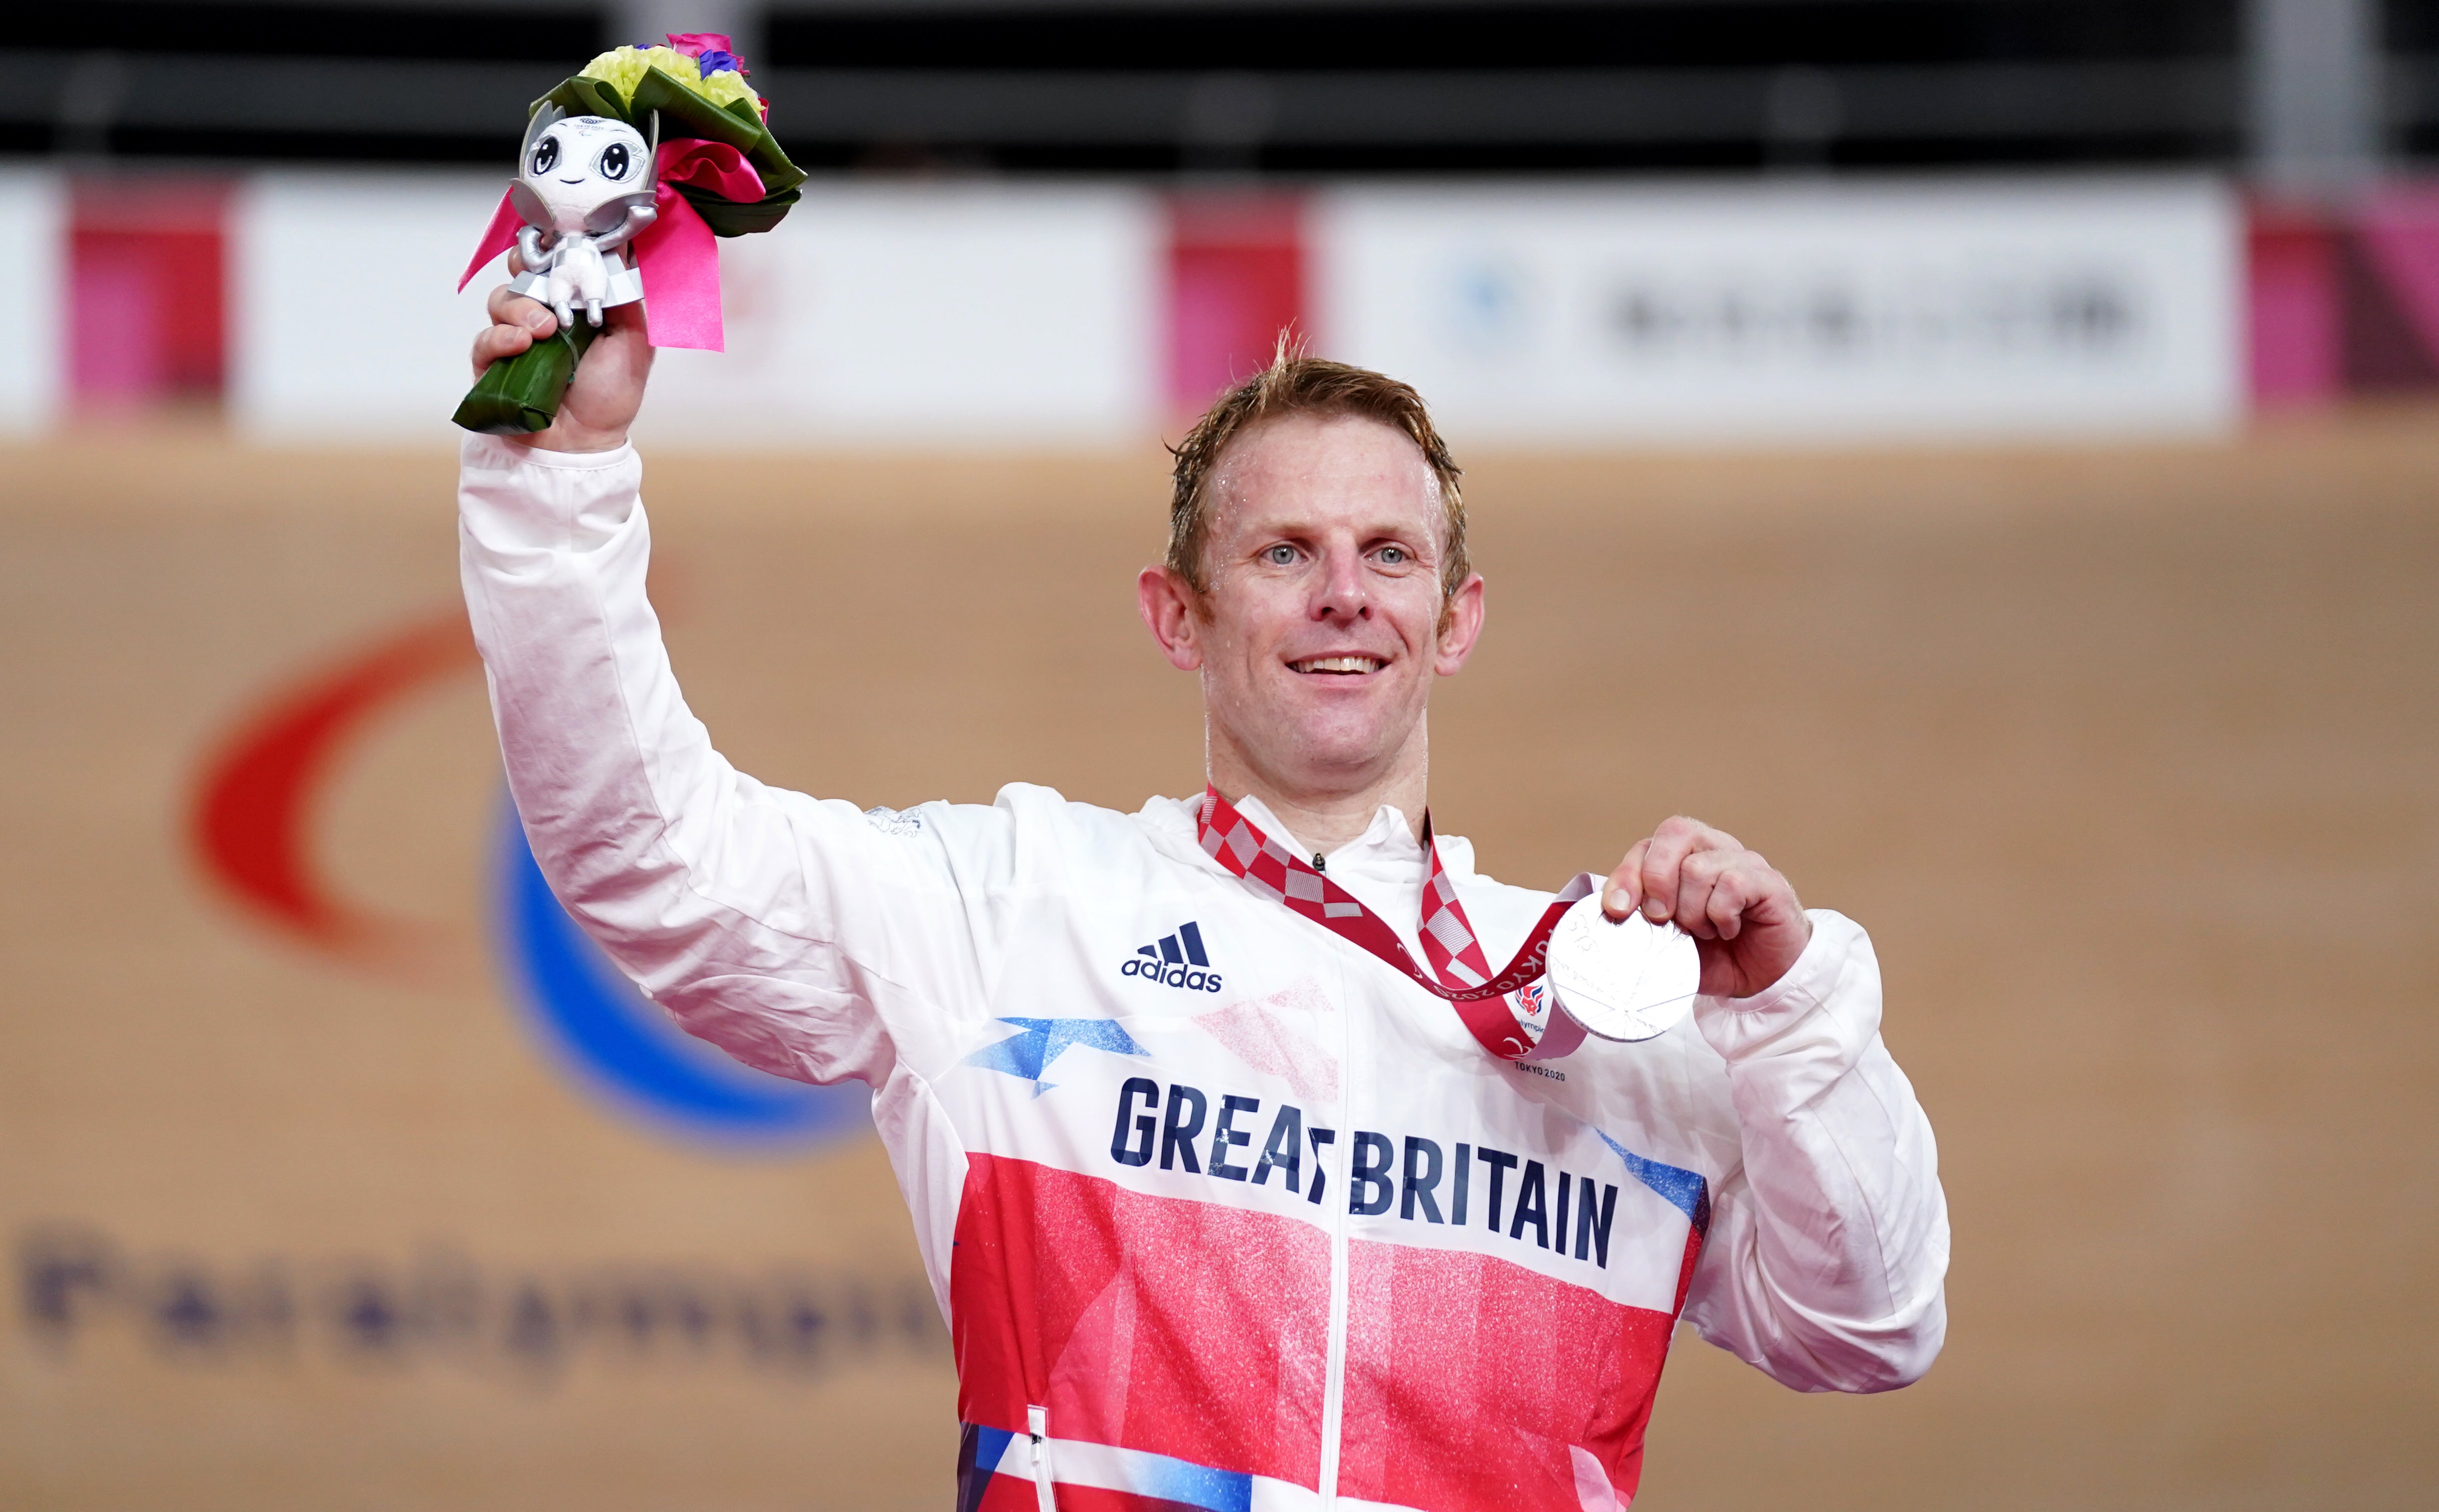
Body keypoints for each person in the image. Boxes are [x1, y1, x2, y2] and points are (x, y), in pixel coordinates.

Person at [462, 289, 1947, 1512]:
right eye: (1282, 552)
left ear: (1457, 616)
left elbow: (1867, 1329)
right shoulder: (1013, 908)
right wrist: (564, 474)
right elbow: (651, 854)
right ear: (1180, 613)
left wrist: (1788, 1012)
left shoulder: (1603, 988)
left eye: (1390, 555)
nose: (1344, 595)